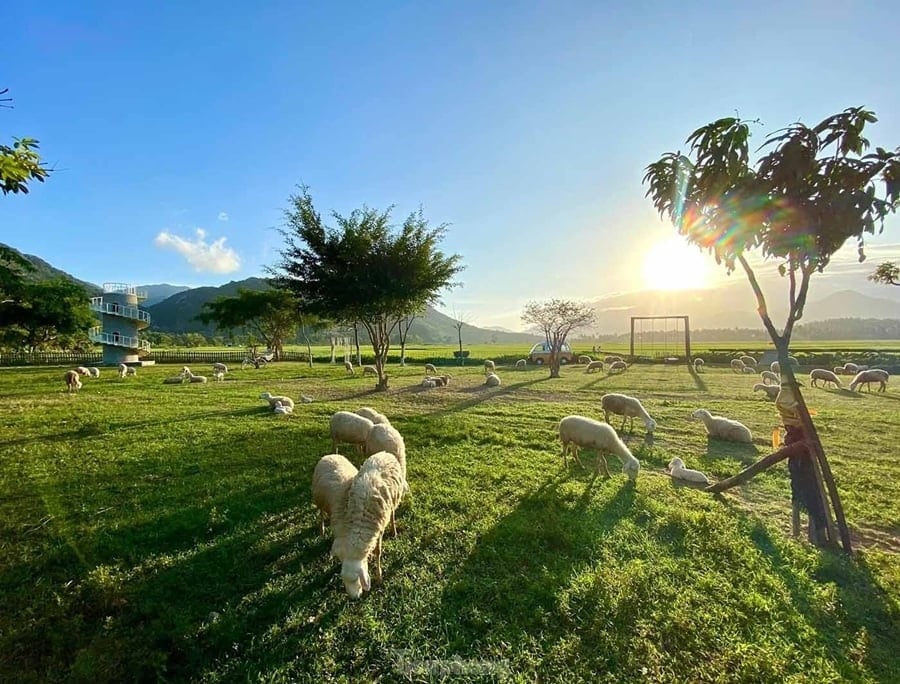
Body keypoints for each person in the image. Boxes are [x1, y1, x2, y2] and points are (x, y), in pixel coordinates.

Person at [775, 381, 828, 545]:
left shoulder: (798, 424)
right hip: (799, 456)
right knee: (804, 490)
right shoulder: (788, 412)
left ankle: (816, 532)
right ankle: (808, 531)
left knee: (811, 491)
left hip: (804, 457)